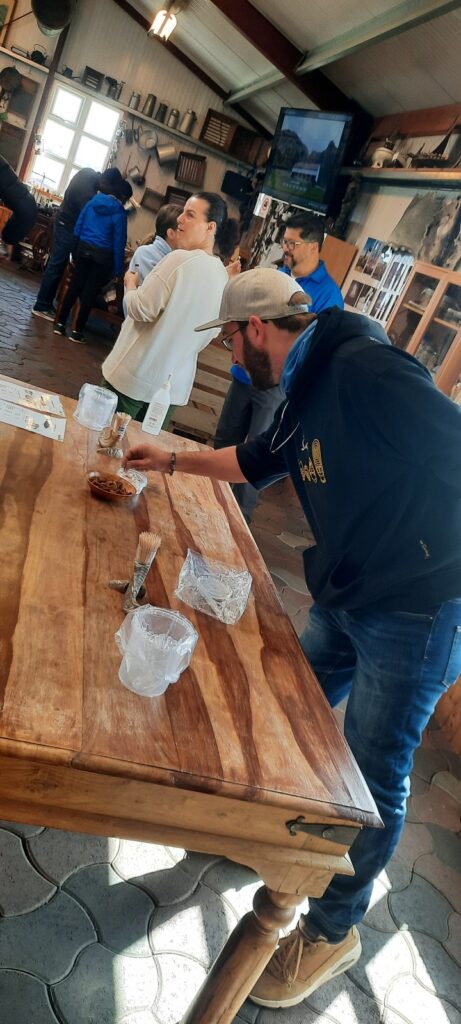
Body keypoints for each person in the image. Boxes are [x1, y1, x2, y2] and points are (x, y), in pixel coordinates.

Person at [123, 267, 461, 1009]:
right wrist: (170, 459)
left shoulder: (364, 369)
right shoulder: (303, 386)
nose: (232, 358)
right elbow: (254, 460)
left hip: (418, 605)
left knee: (372, 777)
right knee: (289, 706)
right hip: (350, 588)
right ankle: (270, 836)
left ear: (254, 329)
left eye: (231, 341)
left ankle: (332, 932)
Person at [214, 210, 343, 523]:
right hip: (243, 376)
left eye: (293, 243)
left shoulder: (328, 294)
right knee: (224, 439)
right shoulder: (274, 273)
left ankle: (236, 523)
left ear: (314, 246)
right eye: (285, 241)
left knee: (256, 453)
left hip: (274, 389)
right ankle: (209, 502)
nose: (286, 248)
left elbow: (314, 352)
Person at [101, 191, 237, 422]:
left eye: (190, 215)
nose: (180, 219)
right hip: (170, 391)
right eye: (182, 213)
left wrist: (130, 284)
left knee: (102, 443)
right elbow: (212, 332)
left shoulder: (179, 260)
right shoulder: (222, 276)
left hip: (135, 377)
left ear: (210, 227)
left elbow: (141, 309)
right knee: (142, 455)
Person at [32, 166, 123, 320]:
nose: (108, 193)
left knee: (59, 265)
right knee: (57, 264)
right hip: (66, 225)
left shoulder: (89, 175)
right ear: (105, 182)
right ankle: (41, 304)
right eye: (110, 189)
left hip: (66, 223)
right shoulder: (87, 191)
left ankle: (46, 304)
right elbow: (89, 217)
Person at [53, 176, 130, 343]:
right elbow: (119, 243)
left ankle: (59, 324)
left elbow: (78, 226)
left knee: (74, 286)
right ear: (122, 197)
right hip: (102, 257)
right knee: (89, 292)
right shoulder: (120, 213)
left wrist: (74, 251)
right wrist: (117, 270)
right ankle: (76, 331)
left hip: (83, 249)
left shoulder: (92, 201)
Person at [123, 203, 181, 314]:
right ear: (171, 233)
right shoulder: (146, 254)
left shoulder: (173, 257)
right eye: (182, 230)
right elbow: (143, 304)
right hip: (139, 325)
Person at [0, 155, 37, 255]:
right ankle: (6, 254)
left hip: (26, 209)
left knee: (9, 235)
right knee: (8, 234)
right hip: (28, 206)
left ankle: (6, 255)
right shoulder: (5, 168)